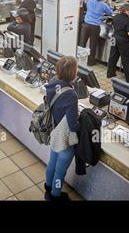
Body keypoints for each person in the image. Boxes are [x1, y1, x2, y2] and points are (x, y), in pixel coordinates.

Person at [44, 56, 80, 201]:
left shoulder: (52, 82)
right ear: (73, 73)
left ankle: (48, 187)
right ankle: (55, 195)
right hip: (64, 138)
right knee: (60, 172)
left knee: (52, 163)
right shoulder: (71, 94)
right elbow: (73, 125)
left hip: (54, 131)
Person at [106, 3, 129, 85]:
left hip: (114, 37)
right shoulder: (128, 20)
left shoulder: (116, 16)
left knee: (113, 56)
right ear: (126, 11)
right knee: (126, 59)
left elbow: (113, 26)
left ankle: (110, 73)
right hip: (123, 40)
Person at [79, 0, 113, 66]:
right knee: (92, 45)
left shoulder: (89, 2)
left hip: (86, 25)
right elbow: (110, 13)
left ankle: (80, 59)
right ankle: (90, 62)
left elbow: (88, 8)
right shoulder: (103, 5)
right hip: (95, 27)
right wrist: (109, 4)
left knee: (82, 43)